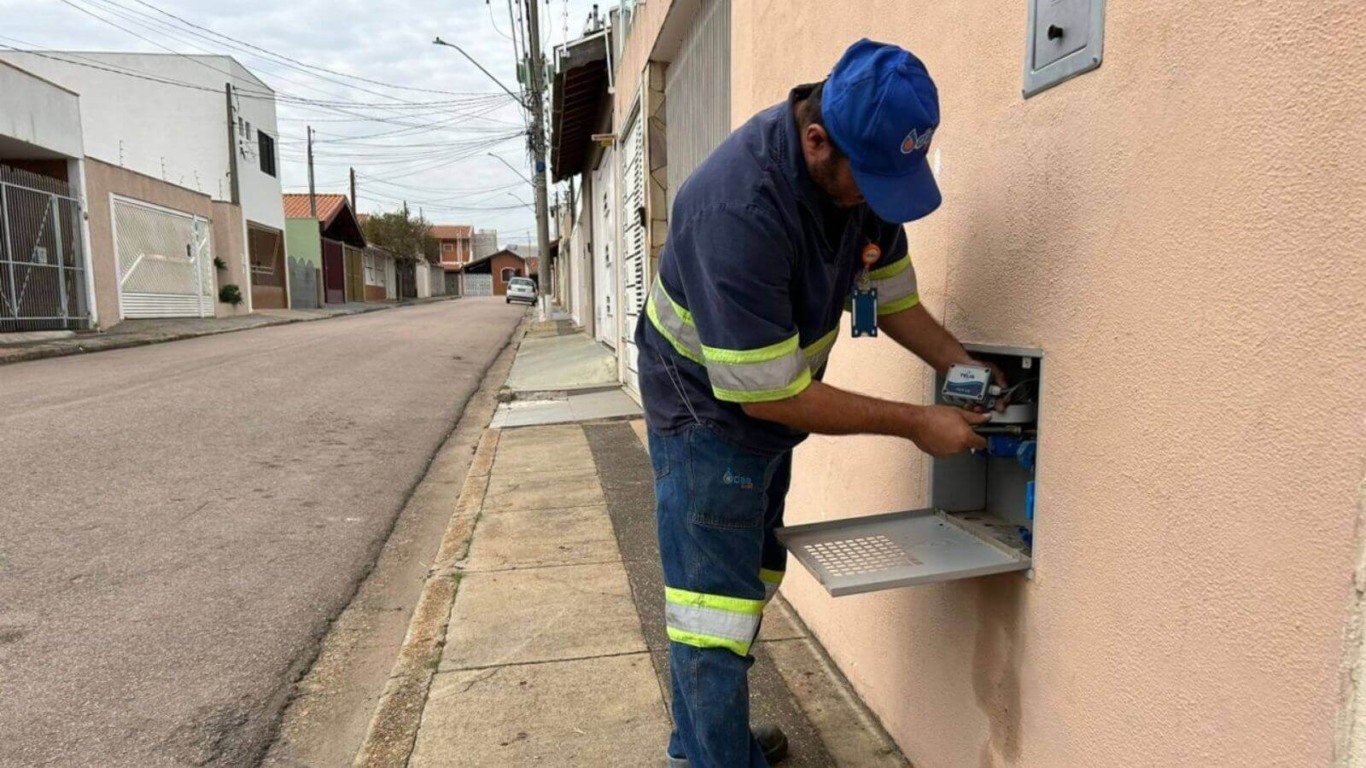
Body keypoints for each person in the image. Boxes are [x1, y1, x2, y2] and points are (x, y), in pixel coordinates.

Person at [634, 39, 1007, 767]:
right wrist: (916, 423)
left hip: (768, 408)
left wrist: (961, 366)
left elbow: (894, 301)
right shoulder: (735, 208)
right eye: (871, 181)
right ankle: (715, 756)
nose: (878, 201)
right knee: (712, 611)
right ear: (816, 141)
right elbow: (770, 393)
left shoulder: (861, 177)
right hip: (703, 410)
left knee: (746, 580)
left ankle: (703, 745)